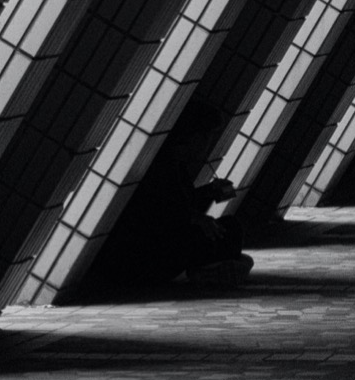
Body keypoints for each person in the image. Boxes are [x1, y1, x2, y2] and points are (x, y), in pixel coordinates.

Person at [91, 102, 252, 287]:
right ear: (193, 136)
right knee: (222, 234)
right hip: (155, 248)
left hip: (169, 238)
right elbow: (157, 210)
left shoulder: (176, 164)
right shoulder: (160, 167)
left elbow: (180, 201)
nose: (209, 144)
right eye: (206, 136)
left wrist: (209, 191)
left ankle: (211, 268)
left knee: (230, 227)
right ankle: (206, 270)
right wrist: (195, 218)